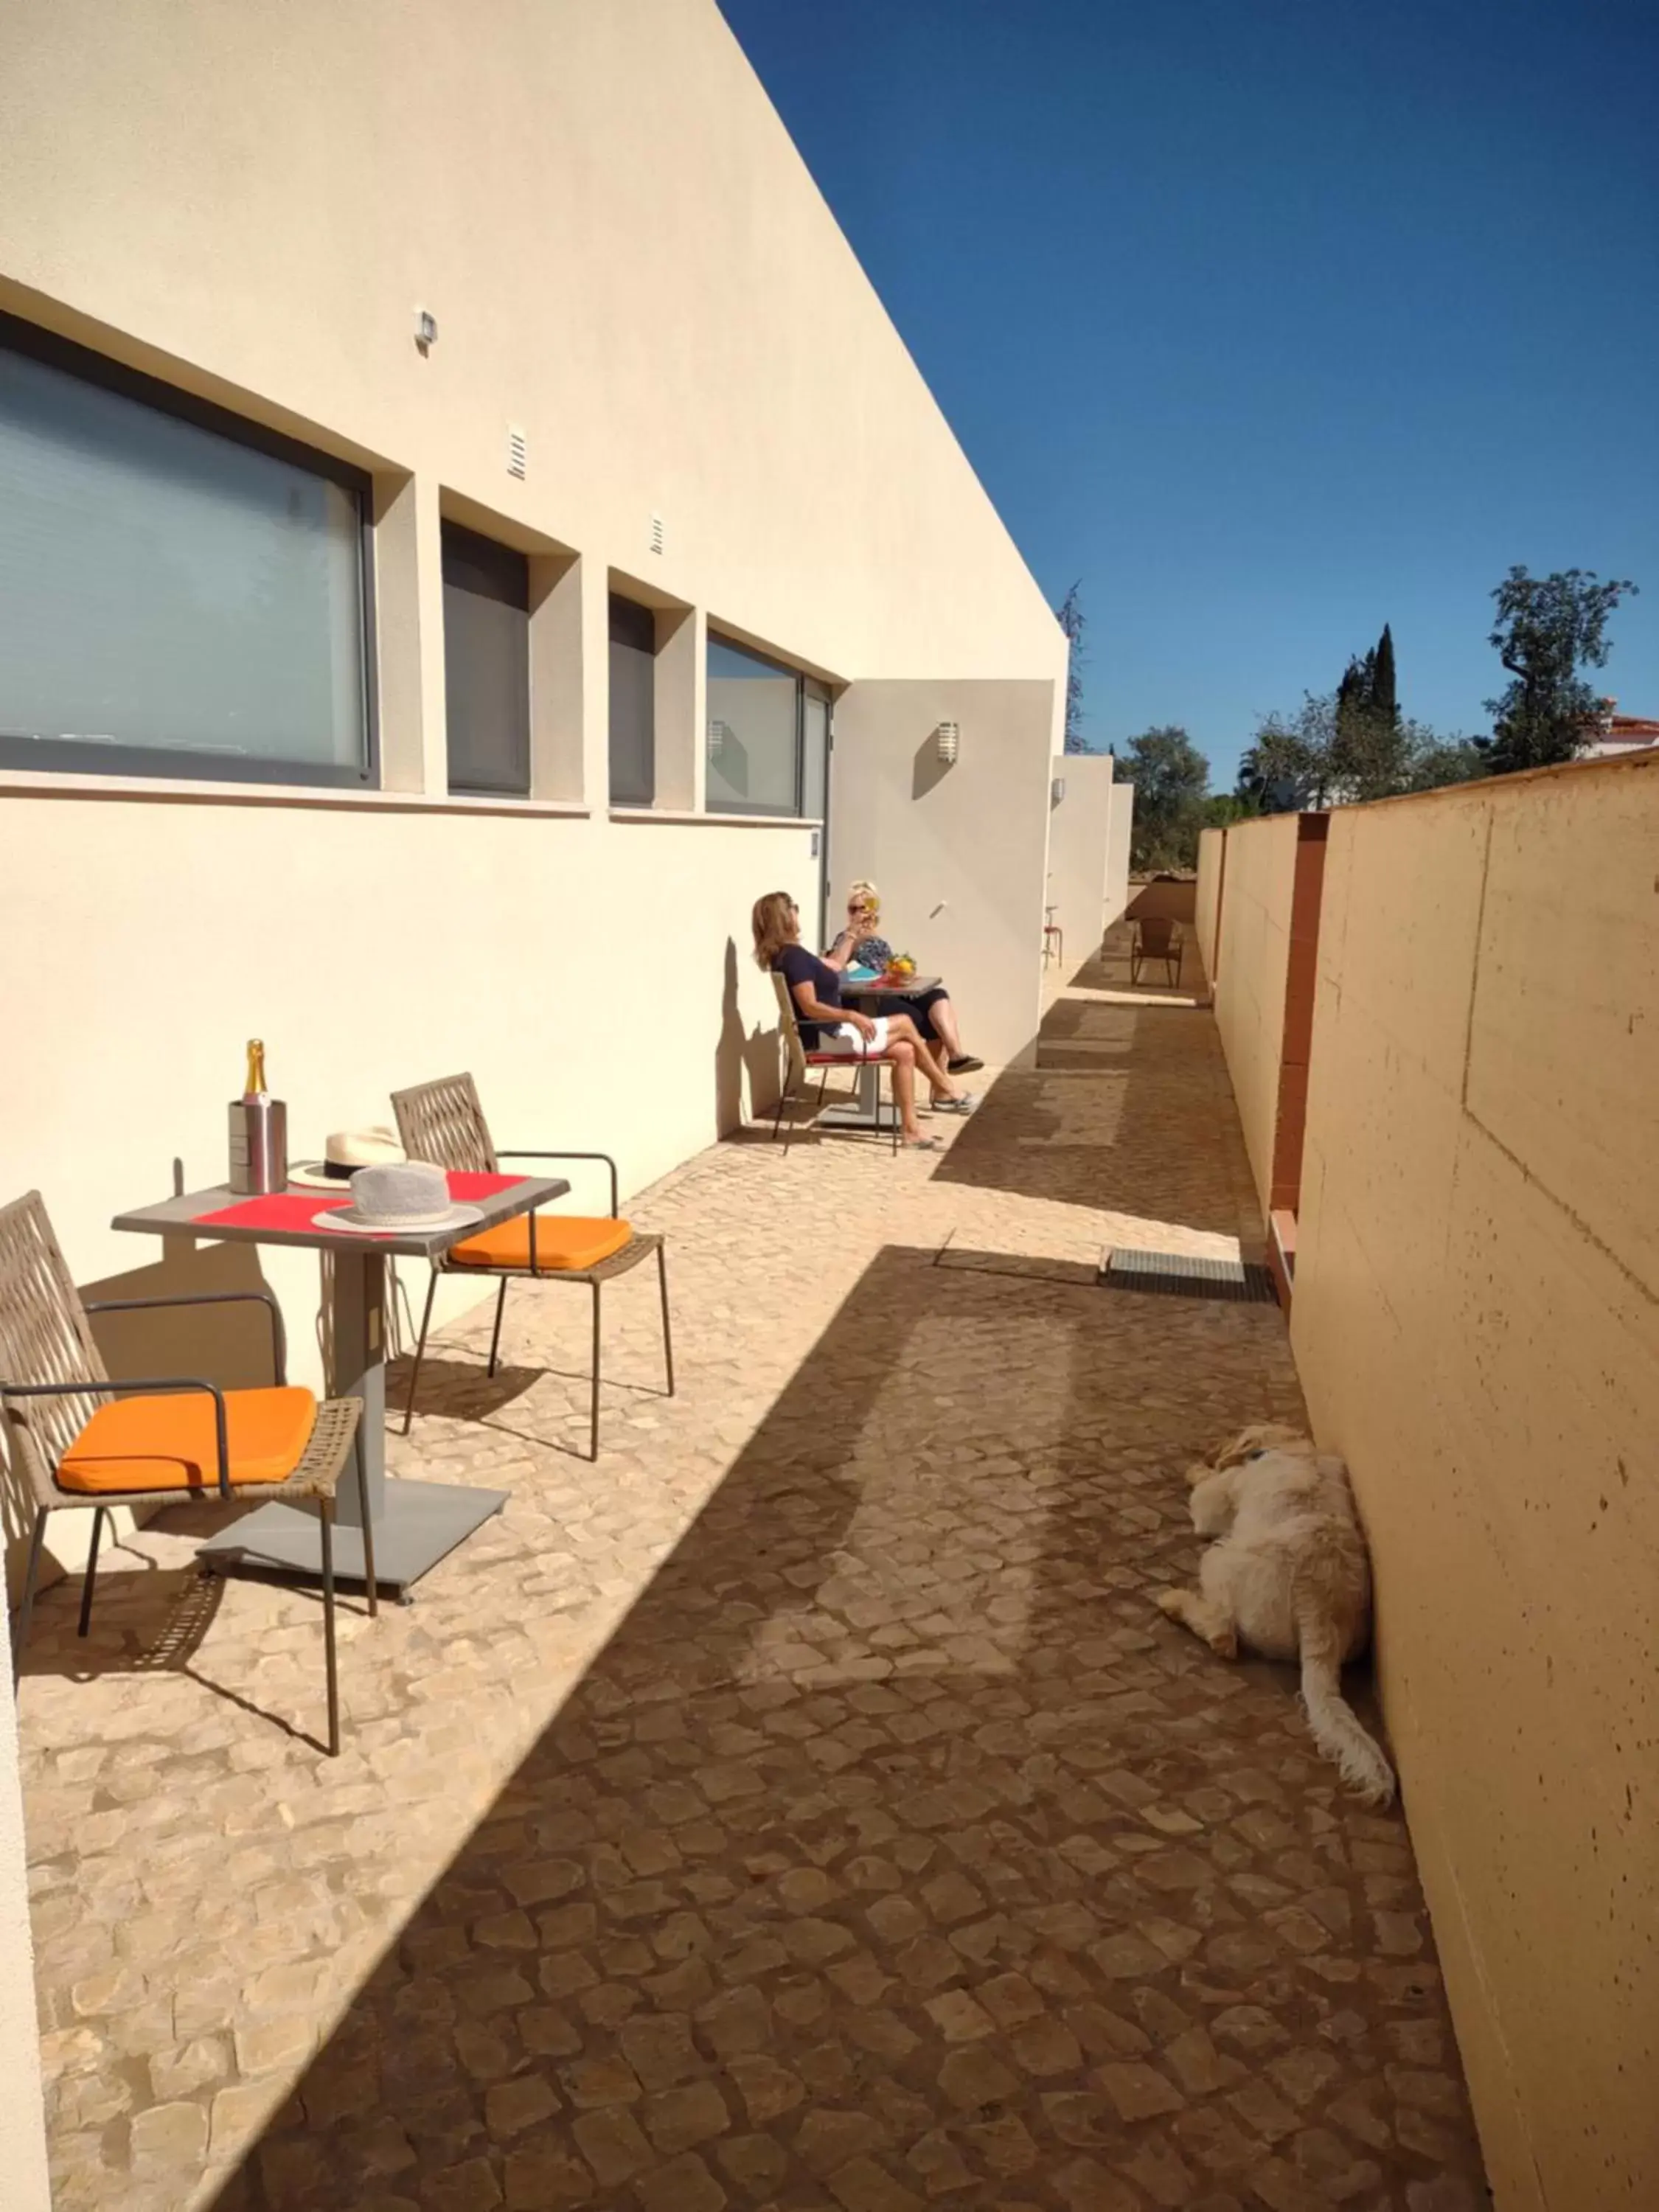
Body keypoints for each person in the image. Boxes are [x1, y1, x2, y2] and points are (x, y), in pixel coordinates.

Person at [752, 891, 977, 1150]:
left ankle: (911, 1131)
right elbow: (810, 1006)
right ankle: (946, 1088)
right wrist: (850, 1014)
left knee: (904, 1051)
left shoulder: (789, 955)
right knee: (904, 1021)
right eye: (794, 909)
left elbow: (835, 965)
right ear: (785, 917)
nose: (797, 913)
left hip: (828, 1034)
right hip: (829, 1038)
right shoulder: (794, 958)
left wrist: (852, 931)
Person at [824, 878, 983, 1075]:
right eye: (852, 909)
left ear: (873, 909)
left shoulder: (877, 939)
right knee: (925, 1021)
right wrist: (852, 933)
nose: (857, 914)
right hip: (865, 1001)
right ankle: (943, 1090)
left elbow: (884, 973)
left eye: (862, 908)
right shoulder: (845, 938)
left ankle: (956, 1055)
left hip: (887, 994)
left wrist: (902, 974)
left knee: (938, 995)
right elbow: (834, 966)